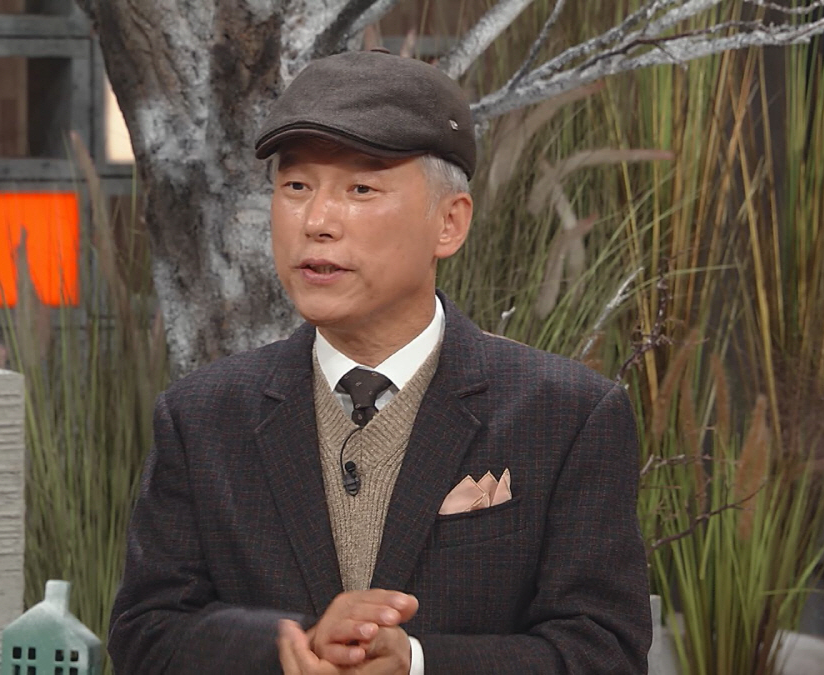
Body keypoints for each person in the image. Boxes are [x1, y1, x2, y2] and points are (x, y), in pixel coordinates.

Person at [108, 49, 653, 675]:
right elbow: (146, 636)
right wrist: (295, 647)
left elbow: (604, 652)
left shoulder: (567, 416)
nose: (316, 221)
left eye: (361, 189)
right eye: (296, 187)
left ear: (449, 224)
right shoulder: (202, 415)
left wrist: (417, 662)